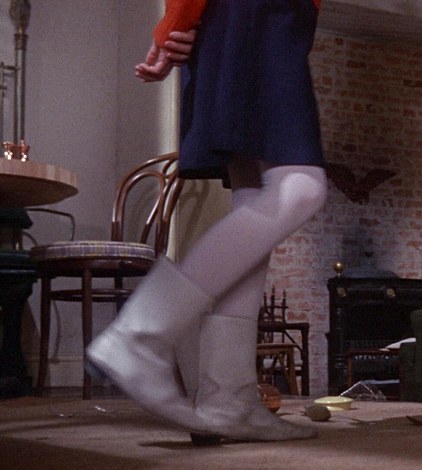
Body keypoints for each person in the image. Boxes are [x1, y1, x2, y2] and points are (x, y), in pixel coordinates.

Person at [86, 0, 326, 442]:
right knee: (301, 188)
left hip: (252, 19)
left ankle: (228, 398)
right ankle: (142, 334)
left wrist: (182, 20)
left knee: (254, 190)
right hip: (261, 12)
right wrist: (176, 20)